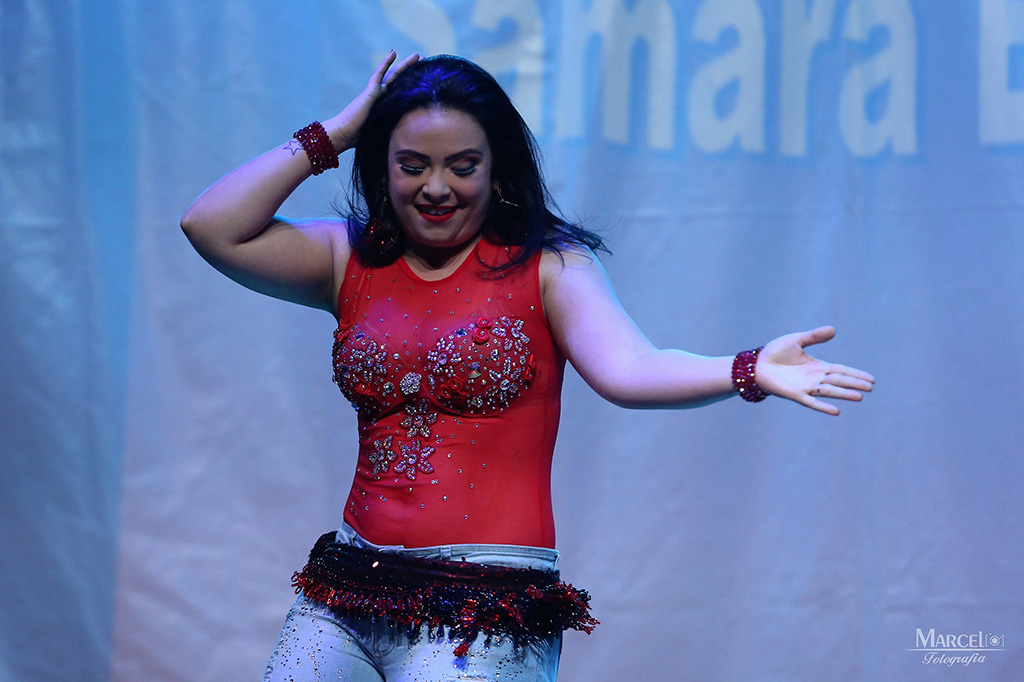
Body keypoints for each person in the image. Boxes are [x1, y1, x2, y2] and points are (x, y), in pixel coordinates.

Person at [181, 52, 874, 682]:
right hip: (347, 591)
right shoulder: (347, 257)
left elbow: (631, 369)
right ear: (382, 166)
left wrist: (748, 369)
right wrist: (337, 132)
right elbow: (211, 226)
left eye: (462, 166)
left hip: (485, 609)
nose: (436, 187)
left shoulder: (549, 264)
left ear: (497, 169)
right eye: (412, 165)